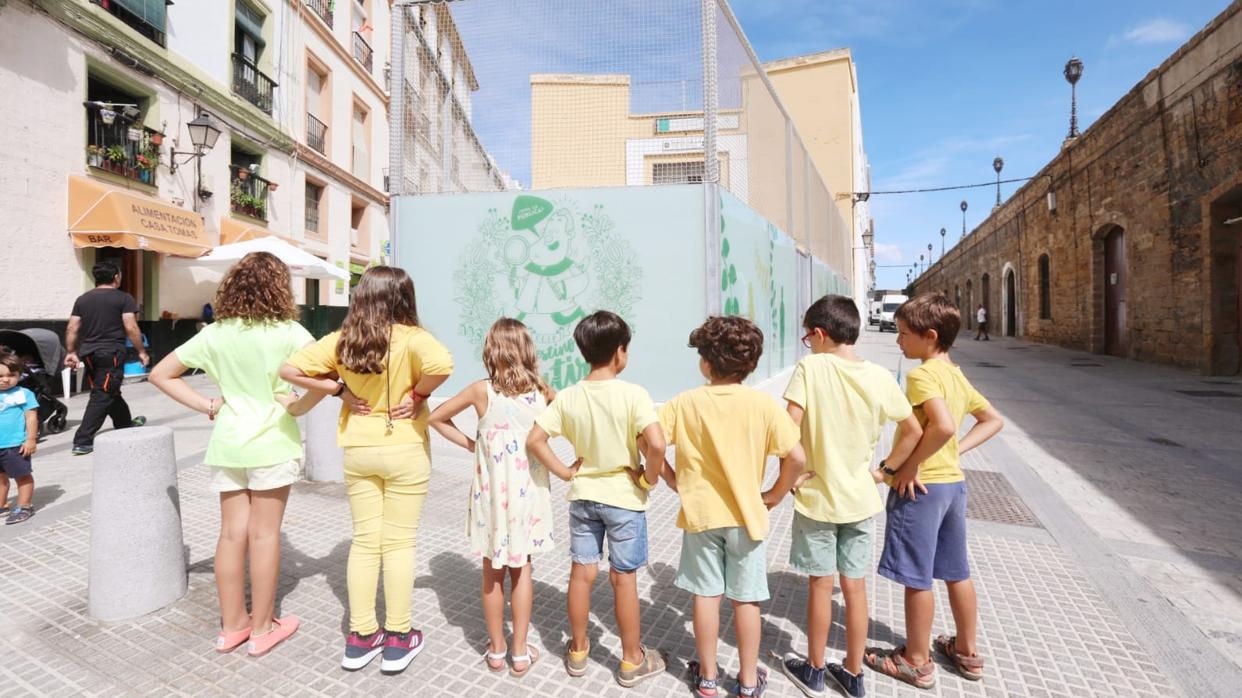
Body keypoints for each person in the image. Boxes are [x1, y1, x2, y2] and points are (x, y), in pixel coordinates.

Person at [281, 266, 453, 675]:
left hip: (359, 449)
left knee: (364, 542)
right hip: (405, 449)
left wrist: (339, 390)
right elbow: (443, 364)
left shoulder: (344, 340)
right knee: (398, 544)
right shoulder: (413, 338)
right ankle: (398, 637)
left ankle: (360, 637)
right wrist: (418, 393)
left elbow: (289, 371)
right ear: (404, 298)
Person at [149, 252, 316, 657]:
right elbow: (326, 380)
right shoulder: (291, 333)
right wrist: (296, 406)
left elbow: (159, 374)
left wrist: (208, 405)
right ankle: (262, 629)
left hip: (228, 442)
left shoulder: (216, 334)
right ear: (280, 287)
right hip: (273, 442)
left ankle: (232, 627)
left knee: (230, 535)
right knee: (265, 535)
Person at [778, 295, 923, 698]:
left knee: (820, 586)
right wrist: (884, 471)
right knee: (855, 588)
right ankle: (855, 674)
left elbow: (788, 430)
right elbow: (912, 430)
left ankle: (816, 669)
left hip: (818, 498)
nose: (808, 344)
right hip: (861, 498)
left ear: (820, 334)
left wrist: (788, 477)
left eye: (809, 336)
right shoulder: (878, 376)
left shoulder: (810, 368)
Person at [656, 316, 805, 698]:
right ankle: (749, 680)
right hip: (747, 516)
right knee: (747, 599)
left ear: (706, 361)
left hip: (702, 516)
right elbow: (798, 458)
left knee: (706, 596)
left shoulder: (685, 403)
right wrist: (773, 494)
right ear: (751, 363)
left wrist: (669, 477)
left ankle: (707, 677)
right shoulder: (763, 405)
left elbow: (650, 440)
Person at [864, 293, 1004, 689]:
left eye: (903, 334)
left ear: (929, 336)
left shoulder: (922, 375)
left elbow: (941, 426)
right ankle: (967, 651)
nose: (897, 342)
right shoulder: (955, 374)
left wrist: (904, 466)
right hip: (953, 486)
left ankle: (916, 659)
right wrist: (957, 449)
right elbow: (992, 420)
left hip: (921, 489)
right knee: (957, 571)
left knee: (917, 577)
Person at [525, 310, 668, 688]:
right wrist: (649, 477)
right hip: (624, 500)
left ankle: (578, 651)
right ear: (620, 351)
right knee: (624, 580)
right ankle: (631, 660)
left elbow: (535, 440)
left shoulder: (569, 396)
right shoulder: (634, 394)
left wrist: (565, 472)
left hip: (584, 497)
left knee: (581, 574)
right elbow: (656, 442)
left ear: (584, 351)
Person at [428, 318, 564, 679]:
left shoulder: (480, 391)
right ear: (526, 351)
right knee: (523, 572)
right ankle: (520, 653)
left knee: (492, 574)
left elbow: (436, 418)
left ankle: (496, 649)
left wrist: (474, 446)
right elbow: (567, 424)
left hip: (492, 499)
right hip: (528, 497)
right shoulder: (543, 392)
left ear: (491, 351)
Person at [65, 261, 148, 455]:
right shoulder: (124, 298)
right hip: (111, 353)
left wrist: (71, 351)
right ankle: (83, 440)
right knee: (102, 394)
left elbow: (72, 327)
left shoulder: (83, 299)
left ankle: (125, 425)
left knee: (109, 390)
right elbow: (131, 326)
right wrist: (141, 351)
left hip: (89, 354)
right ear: (116, 277)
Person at [0, 351, 38, 526]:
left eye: (11, 375)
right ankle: (2, 505)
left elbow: (31, 417)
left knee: (22, 476)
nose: (5, 379)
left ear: (19, 375)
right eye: (0, 375)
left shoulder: (24, 393)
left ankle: (24, 506)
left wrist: (30, 439)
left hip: (15, 445)